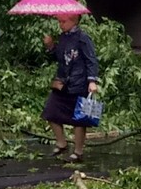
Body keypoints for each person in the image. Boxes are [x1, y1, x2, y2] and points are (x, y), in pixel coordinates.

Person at [41, 13, 99, 162]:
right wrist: (50, 47)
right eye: (59, 21)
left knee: (79, 119)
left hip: (79, 83)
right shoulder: (63, 37)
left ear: (74, 21)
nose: (60, 24)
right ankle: (61, 142)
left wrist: (92, 81)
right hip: (62, 83)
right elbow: (60, 58)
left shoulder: (82, 38)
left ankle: (78, 152)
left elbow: (91, 60)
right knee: (50, 111)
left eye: (63, 21)